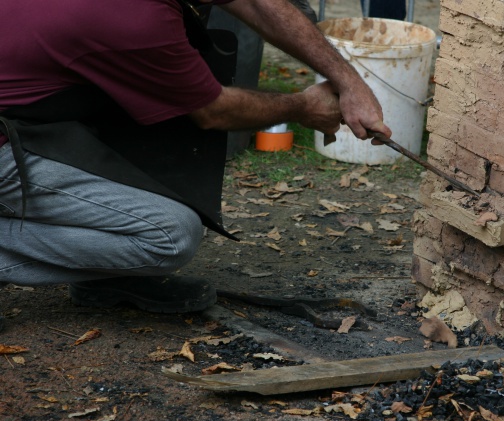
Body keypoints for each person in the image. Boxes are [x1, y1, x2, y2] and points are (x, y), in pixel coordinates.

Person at [0, 0, 391, 329]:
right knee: (170, 236)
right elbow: (213, 111)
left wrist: (349, 81)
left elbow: (260, 4)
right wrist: (304, 106)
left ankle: (110, 278)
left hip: (30, 109)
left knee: (140, 103)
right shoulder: (133, 18)